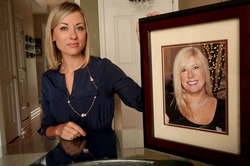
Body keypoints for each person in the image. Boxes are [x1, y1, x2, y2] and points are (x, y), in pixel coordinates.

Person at [38, 1, 159, 140]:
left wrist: (152, 47)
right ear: (53, 35)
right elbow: (46, 127)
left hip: (103, 156)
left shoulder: (103, 69)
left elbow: (142, 102)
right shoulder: (48, 79)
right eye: (64, 28)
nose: (73, 35)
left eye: (79, 28)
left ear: (86, 33)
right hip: (65, 158)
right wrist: (59, 129)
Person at [165, 47, 226, 132]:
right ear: (178, 76)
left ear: (204, 71)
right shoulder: (167, 104)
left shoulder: (225, 108)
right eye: (184, 70)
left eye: (195, 67)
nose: (190, 75)